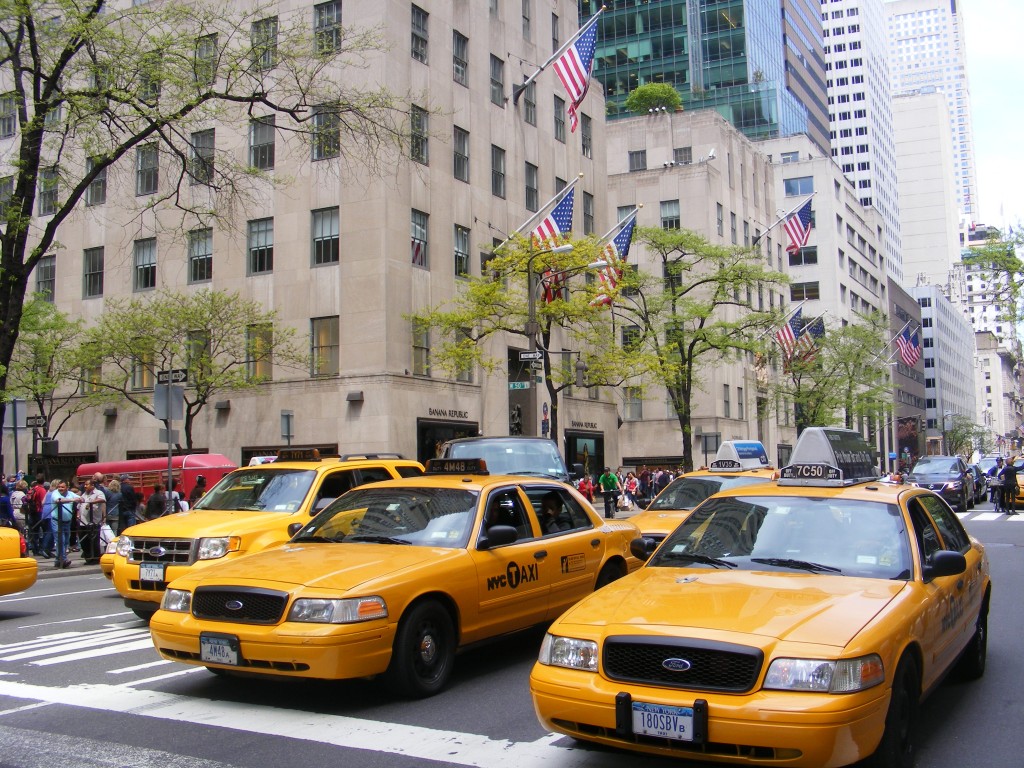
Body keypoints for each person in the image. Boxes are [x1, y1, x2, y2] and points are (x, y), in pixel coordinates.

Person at [50, 480, 79, 569]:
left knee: (66, 541)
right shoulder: (55, 493)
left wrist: (78, 499)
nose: (60, 489)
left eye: (62, 487)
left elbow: (80, 498)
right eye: (59, 487)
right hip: (57, 521)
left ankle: (58, 561)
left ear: (67, 487)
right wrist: (72, 500)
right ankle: (63, 559)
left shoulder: (70, 493)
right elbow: (58, 500)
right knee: (60, 540)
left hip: (67, 521)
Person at [77, 477, 106, 564]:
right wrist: (77, 515)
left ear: (92, 485)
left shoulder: (98, 493)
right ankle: (88, 557)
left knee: (93, 540)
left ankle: (95, 558)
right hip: (83, 521)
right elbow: (78, 506)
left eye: (87, 484)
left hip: (93, 521)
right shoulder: (84, 494)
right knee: (83, 540)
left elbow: (102, 499)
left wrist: (92, 502)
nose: (85, 486)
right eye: (84, 485)